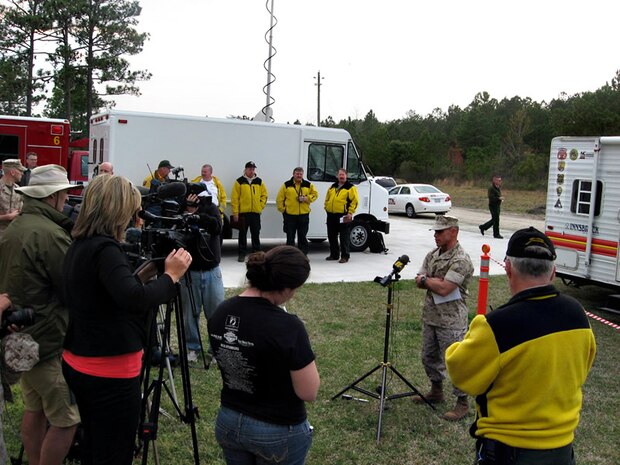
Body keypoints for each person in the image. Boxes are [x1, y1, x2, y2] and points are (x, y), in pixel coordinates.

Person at [61, 174, 192, 465]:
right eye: (135, 210)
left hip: (80, 359)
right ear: (119, 210)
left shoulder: (81, 244)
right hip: (108, 370)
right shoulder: (106, 250)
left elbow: (105, 294)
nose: (139, 218)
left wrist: (138, 278)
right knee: (114, 452)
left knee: (95, 445)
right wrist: (171, 276)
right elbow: (135, 299)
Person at [446, 227, 596, 465]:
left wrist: (467, 336)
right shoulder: (578, 315)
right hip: (563, 450)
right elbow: (583, 367)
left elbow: (460, 374)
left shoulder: (495, 326)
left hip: (509, 453)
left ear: (508, 269)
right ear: (553, 272)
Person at [0, 165, 82, 465]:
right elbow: (70, 286)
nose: (67, 200)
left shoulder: (19, 225)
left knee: (34, 409)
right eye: (64, 194)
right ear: (54, 196)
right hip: (45, 341)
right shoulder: (49, 234)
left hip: (19, 335)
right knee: (66, 419)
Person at [208, 246, 320, 465]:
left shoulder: (221, 312)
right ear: (286, 288)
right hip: (277, 428)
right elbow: (308, 391)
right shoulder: (288, 326)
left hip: (229, 419)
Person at [413, 215, 474, 421]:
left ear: (454, 232)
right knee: (429, 356)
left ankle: (462, 402)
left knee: (456, 362)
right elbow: (419, 279)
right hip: (431, 316)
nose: (436, 235)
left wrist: (428, 281)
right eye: (435, 232)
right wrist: (431, 281)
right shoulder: (432, 255)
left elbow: (446, 288)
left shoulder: (461, 260)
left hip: (451, 320)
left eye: (440, 232)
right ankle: (436, 390)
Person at [180, 190, 224, 364]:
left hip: (212, 270)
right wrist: (189, 212)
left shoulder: (211, 208)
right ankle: (192, 348)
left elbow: (217, 228)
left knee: (215, 313)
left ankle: (215, 349)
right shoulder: (183, 209)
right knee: (189, 314)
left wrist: (198, 214)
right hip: (190, 270)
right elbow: (181, 233)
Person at [231, 161, 268, 262]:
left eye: (253, 169)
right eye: (250, 169)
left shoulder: (259, 181)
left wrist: (260, 206)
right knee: (242, 234)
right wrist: (235, 213)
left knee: (255, 234)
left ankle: (256, 254)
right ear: (245, 169)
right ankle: (242, 254)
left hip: (255, 213)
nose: (252, 171)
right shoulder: (239, 181)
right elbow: (235, 198)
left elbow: (264, 195)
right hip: (243, 213)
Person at [276, 167, 318, 255]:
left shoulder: (308, 184)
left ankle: (303, 254)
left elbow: (315, 195)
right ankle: (290, 255)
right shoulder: (286, 185)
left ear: (303, 175)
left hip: (303, 215)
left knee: (302, 236)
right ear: (293, 174)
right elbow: (279, 199)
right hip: (290, 215)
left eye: (300, 174)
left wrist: (307, 198)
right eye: (297, 174)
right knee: (290, 237)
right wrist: (283, 210)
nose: (299, 175)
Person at [324, 168, 358, 263]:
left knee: (344, 237)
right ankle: (334, 255)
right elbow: (327, 199)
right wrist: (326, 207)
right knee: (331, 236)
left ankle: (345, 256)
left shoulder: (351, 187)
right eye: (340, 175)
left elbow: (354, 201)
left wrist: (350, 213)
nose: (341, 176)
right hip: (331, 215)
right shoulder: (332, 187)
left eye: (343, 175)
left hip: (344, 216)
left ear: (346, 176)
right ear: (337, 176)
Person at [0, 159, 25, 238]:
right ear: (13, 172)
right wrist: (6, 217)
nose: (22, 173)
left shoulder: (18, 189)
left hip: (13, 235)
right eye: (20, 171)